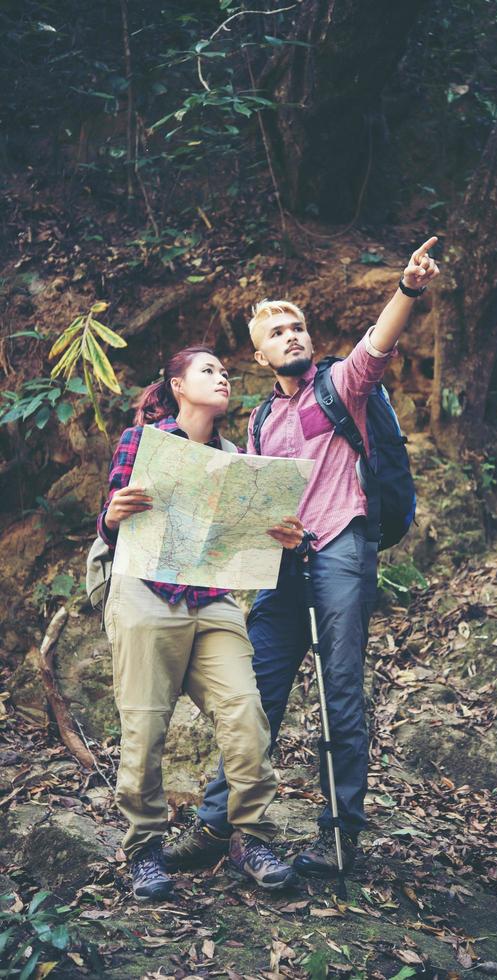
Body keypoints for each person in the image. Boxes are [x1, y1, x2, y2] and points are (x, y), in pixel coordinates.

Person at [164, 240, 440, 878]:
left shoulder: (342, 385)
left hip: (343, 549)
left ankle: (339, 837)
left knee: (339, 692)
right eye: (276, 333)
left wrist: (408, 289)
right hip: (281, 566)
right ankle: (217, 824)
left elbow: (378, 342)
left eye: (297, 328)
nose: (291, 337)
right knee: (253, 694)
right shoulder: (260, 421)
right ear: (259, 355)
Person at [97, 344, 305, 900]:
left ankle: (249, 837)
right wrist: (112, 515)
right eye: (208, 371)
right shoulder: (141, 441)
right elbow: (113, 520)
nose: (223, 379)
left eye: (225, 371)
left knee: (246, 714)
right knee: (145, 726)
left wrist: (283, 539)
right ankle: (144, 849)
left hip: (213, 599)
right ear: (178, 385)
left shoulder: (235, 456)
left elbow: (246, 541)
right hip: (146, 594)